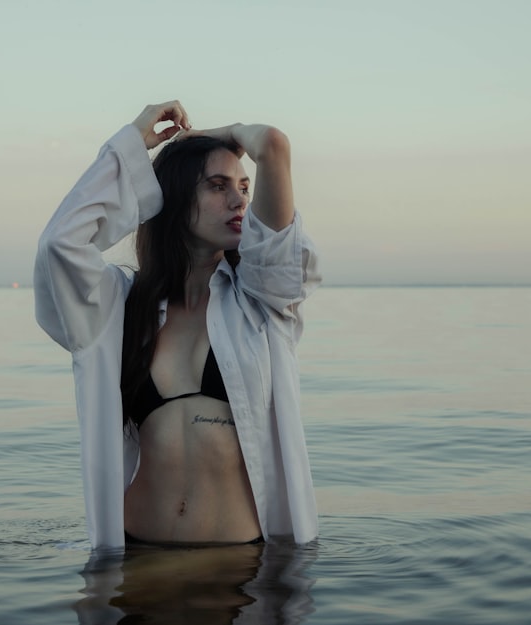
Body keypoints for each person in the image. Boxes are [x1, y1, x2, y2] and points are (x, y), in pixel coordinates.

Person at [34, 100, 320, 550]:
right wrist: (130, 146)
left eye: (244, 187)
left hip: (237, 572)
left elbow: (273, 145)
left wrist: (214, 133)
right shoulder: (120, 308)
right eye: (217, 186)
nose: (238, 201)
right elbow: (60, 245)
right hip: (134, 564)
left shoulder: (264, 303)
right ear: (174, 196)